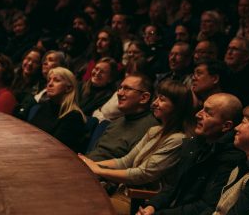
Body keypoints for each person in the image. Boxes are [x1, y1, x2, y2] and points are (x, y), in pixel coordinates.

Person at [82, 79, 195, 213]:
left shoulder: (178, 139)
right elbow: (125, 161)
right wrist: (87, 165)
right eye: (157, 98)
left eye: (162, 99)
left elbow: (143, 174)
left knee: (86, 206)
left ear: (177, 106)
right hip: (123, 192)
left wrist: (98, 170)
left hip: (140, 200)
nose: (155, 103)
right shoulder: (155, 131)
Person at [137, 93, 245, 215]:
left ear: (226, 126)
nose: (198, 114)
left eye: (208, 113)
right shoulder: (195, 144)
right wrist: (152, 206)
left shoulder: (231, 159)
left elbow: (205, 206)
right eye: (202, 108)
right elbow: (173, 186)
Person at [87, 73, 159, 162]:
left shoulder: (151, 129)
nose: (119, 93)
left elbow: (130, 169)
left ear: (144, 98)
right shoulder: (118, 121)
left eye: (127, 89)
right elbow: (95, 152)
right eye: (120, 88)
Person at [28, 67, 86, 152]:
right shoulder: (45, 106)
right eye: (49, 80)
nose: (50, 84)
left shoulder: (73, 117)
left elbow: (55, 149)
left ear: (68, 88)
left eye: (56, 80)